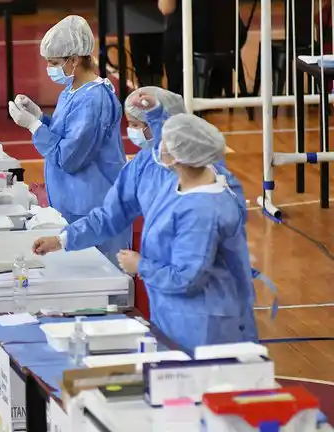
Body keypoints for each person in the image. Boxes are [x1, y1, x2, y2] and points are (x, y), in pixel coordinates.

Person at [33, 114, 257, 353]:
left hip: (205, 326)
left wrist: (141, 265)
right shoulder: (177, 188)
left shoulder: (204, 210)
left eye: (167, 141)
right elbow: (112, 214)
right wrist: (62, 240)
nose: (160, 146)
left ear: (182, 155)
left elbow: (188, 278)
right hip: (175, 315)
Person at [8, 15, 130, 267]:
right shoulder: (73, 91)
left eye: (54, 62)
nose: (50, 68)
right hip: (73, 206)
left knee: (101, 284)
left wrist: (34, 127)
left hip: (93, 209)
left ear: (74, 59)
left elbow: (70, 157)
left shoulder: (94, 100)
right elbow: (69, 133)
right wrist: (40, 117)